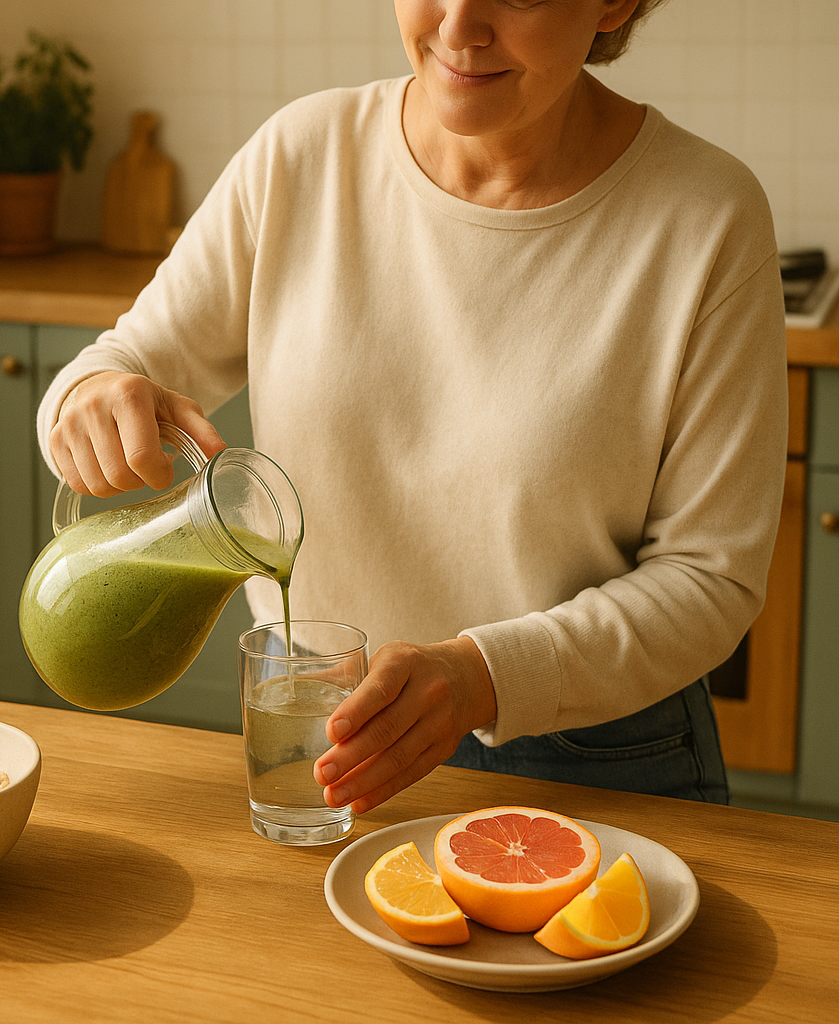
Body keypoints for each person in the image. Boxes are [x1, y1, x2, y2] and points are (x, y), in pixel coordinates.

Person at [38, 0, 787, 815]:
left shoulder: (707, 216)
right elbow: (118, 363)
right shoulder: (303, 155)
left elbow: (710, 579)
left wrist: (480, 678)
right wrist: (88, 400)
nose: (459, 25)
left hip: (594, 754)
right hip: (320, 725)